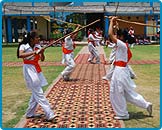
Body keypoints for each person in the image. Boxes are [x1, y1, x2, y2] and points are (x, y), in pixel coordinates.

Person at [108, 16, 152, 120]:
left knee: (116, 92)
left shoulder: (122, 44)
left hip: (120, 71)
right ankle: (146, 105)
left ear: (121, 37)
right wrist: (115, 22)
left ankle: (123, 114)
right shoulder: (124, 44)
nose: (116, 37)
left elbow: (110, 34)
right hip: (122, 71)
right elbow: (115, 32)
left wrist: (110, 21)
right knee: (128, 94)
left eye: (118, 36)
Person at [17, 30, 56, 121]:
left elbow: (42, 59)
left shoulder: (38, 46)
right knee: (39, 92)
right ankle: (49, 113)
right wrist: (34, 52)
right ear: (31, 39)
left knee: (36, 93)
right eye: (37, 37)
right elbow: (20, 55)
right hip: (29, 69)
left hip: (37, 69)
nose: (39, 39)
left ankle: (30, 113)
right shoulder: (24, 46)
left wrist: (42, 52)